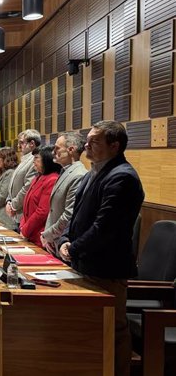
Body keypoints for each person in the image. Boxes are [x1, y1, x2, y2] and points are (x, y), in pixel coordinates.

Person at [58, 121, 144, 376]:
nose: (86, 145)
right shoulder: (92, 172)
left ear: (114, 146)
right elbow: (75, 217)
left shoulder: (122, 177)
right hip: (84, 263)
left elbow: (104, 228)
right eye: (88, 140)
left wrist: (73, 249)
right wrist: (65, 240)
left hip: (106, 268)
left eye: (94, 141)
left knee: (113, 330)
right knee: (89, 328)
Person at [40, 132, 88, 256]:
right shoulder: (65, 171)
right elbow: (53, 210)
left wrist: (48, 235)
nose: (52, 152)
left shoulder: (78, 175)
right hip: (54, 241)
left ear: (71, 150)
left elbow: (68, 214)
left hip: (63, 243)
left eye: (57, 148)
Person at [19, 146, 60, 247]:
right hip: (28, 232)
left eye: (36, 158)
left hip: (38, 236)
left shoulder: (52, 179)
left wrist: (25, 229)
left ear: (47, 160)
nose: (33, 161)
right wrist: (22, 226)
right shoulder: (38, 177)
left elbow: (42, 211)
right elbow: (27, 205)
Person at [6, 129, 41, 228]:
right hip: (15, 212)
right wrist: (9, 201)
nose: (18, 146)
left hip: (22, 212)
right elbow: (12, 184)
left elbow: (28, 187)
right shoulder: (24, 158)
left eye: (21, 143)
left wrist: (13, 206)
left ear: (32, 144)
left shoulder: (34, 160)